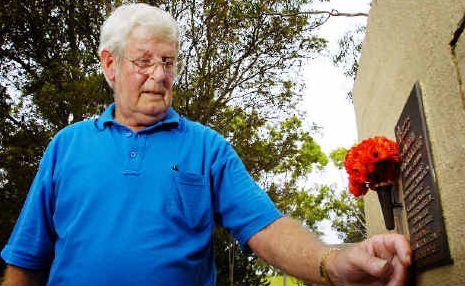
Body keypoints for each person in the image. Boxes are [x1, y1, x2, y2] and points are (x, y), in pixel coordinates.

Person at [1, 3, 411, 286]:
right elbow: (25, 260)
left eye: (169, 62)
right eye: (144, 61)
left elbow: (266, 228)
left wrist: (334, 263)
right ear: (110, 64)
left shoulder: (207, 148)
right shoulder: (66, 146)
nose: (160, 75)